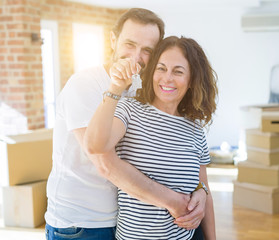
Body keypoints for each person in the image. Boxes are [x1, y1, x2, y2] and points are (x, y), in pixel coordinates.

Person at [45, 8, 207, 240]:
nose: (135, 56)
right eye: (129, 44)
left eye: (147, 50)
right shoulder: (85, 85)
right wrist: (174, 202)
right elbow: (104, 163)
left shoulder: (138, 91)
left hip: (120, 220)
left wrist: (200, 190)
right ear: (113, 40)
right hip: (80, 224)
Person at [85, 36, 218, 239]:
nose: (167, 78)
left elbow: (204, 188)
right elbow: (95, 145)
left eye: (178, 72)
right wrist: (115, 88)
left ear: (191, 80)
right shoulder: (129, 110)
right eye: (161, 68)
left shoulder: (195, 130)